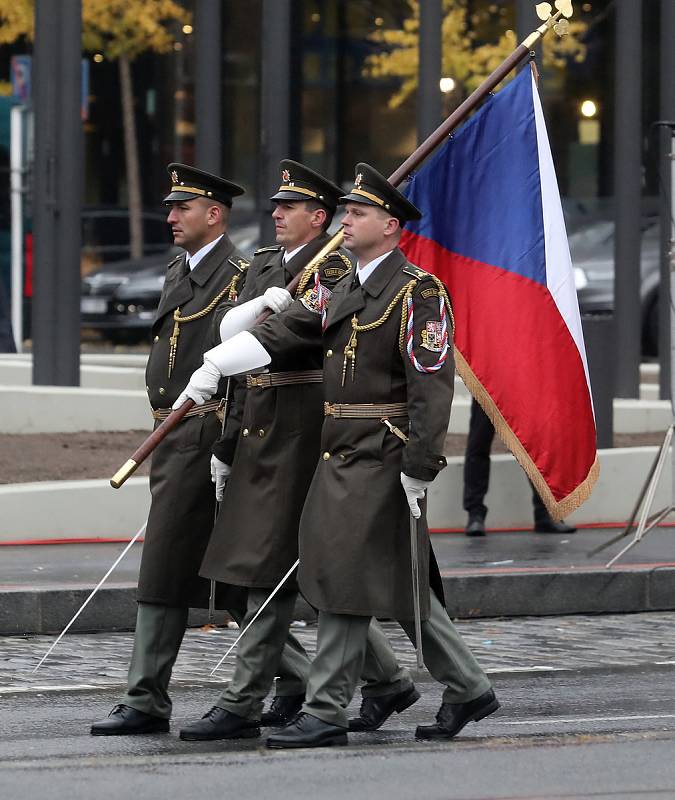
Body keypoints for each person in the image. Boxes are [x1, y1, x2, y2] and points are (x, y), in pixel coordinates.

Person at [177, 164, 499, 749]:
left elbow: (432, 384)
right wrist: (216, 364)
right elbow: (286, 331)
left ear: (391, 226)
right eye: (345, 211)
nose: (345, 220)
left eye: (357, 213)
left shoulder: (417, 291)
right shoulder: (348, 285)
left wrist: (422, 466)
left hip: (382, 452)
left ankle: (326, 709)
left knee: (345, 580)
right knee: (384, 578)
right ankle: (469, 687)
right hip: (339, 452)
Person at [90, 164, 307, 736]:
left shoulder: (241, 275)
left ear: (214, 214)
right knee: (227, 571)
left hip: (209, 430)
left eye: (180, 209)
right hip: (175, 433)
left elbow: (248, 362)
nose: (169, 218)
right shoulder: (180, 269)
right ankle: (314, 676)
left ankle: (145, 696)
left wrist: (229, 440)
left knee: (191, 564)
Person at [464, 398, 577, 536]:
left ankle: (544, 514)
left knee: (536, 446)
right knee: (479, 443)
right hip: (487, 381)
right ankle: (475, 514)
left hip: (523, 381)